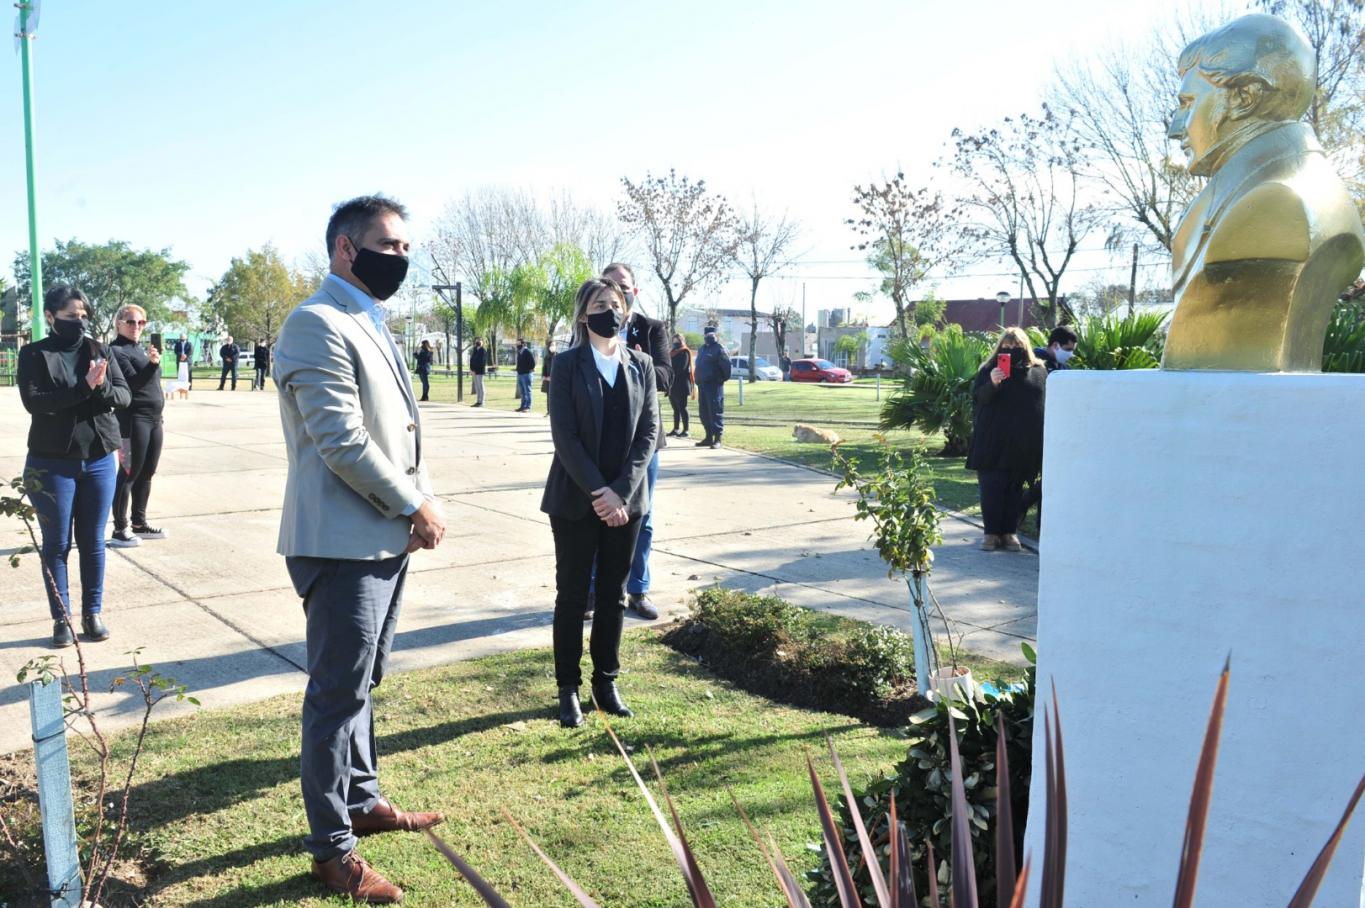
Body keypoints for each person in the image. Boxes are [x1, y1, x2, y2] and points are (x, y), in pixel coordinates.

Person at [273, 195, 447, 903]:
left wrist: (419, 504)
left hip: (382, 539)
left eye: (405, 248)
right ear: (346, 248)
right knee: (335, 697)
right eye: (388, 245)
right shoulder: (315, 322)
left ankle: (363, 800)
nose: (399, 258)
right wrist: (412, 504)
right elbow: (341, 439)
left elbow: (399, 433)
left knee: (361, 684)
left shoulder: (369, 319)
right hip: (341, 545)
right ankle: (332, 851)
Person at [542, 277, 659, 728]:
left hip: (627, 503)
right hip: (576, 501)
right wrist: (600, 493)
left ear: (625, 311)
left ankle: (605, 682)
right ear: (582, 314)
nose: (608, 311)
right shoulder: (566, 364)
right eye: (598, 304)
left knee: (613, 596)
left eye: (615, 303)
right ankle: (568, 688)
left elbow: (649, 433)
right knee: (573, 595)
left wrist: (621, 492)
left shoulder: (642, 364)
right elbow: (565, 436)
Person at [18, 285, 130, 647]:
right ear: (51, 317)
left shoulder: (100, 350)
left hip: (98, 459)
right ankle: (62, 619)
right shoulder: (34, 353)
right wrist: (83, 388)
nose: (79, 323)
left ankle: (92, 613)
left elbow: (124, 396)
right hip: (51, 462)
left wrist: (100, 387)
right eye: (70, 317)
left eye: (83, 316)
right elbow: (35, 402)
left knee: (93, 541)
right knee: (57, 544)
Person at [607, 262, 671, 620]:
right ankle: (595, 589)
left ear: (635, 291)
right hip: (601, 438)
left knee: (641, 517)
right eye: (611, 284)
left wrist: (629, 359)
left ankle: (638, 589)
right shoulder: (588, 326)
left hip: (644, 439)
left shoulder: (651, 329)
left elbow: (665, 375)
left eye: (624, 285)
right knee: (599, 514)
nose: (618, 291)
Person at [967, 327, 1046, 553]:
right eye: (1007, 346)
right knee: (991, 487)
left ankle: (1010, 532)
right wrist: (992, 383)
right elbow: (979, 399)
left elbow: (1041, 404)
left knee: (1014, 489)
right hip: (992, 441)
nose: (1011, 350)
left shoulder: (1038, 372)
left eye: (1017, 346)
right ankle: (991, 533)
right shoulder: (988, 369)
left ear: (1025, 347)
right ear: (1000, 347)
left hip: (1022, 443)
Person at [108, 304, 167, 548]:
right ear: (119, 323)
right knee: (129, 473)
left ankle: (139, 523)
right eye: (131, 322)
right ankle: (119, 529)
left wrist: (152, 362)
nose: (136, 327)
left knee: (147, 472)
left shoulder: (140, 350)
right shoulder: (115, 350)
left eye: (141, 322)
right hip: (133, 420)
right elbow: (131, 383)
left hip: (154, 419)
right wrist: (152, 365)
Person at [693, 325, 731, 448]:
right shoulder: (702, 349)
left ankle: (717, 439)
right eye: (707, 335)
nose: (709, 337)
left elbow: (726, 368)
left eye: (711, 335)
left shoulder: (720, 349)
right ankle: (708, 437)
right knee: (704, 412)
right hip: (702, 385)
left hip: (714, 386)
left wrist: (719, 380)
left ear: (715, 335)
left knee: (715, 411)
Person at [667, 333, 694, 438]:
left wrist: (670, 373)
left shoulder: (684, 352)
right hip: (672, 384)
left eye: (677, 340)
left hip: (681, 384)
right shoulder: (672, 352)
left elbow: (682, 368)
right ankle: (676, 429)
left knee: (682, 407)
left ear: (682, 341)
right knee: (675, 408)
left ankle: (686, 430)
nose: (675, 342)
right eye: (674, 340)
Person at [514, 338, 536, 412]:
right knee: (522, 392)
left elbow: (533, 364)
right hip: (520, 374)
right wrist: (517, 369)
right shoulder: (519, 352)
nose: (517, 345)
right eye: (516, 343)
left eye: (518, 343)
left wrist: (528, 369)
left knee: (527, 391)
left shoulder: (527, 352)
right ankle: (522, 406)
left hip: (526, 375)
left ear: (523, 344)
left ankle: (528, 407)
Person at [469, 337, 487, 407]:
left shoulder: (483, 351)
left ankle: (482, 402)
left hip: (479, 371)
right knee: (477, 386)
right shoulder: (474, 350)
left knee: (480, 386)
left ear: (482, 342)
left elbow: (481, 362)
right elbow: (472, 360)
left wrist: (475, 370)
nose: (478, 342)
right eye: (477, 341)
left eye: (479, 341)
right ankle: (478, 401)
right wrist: (471, 369)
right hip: (474, 371)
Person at [541, 340, 555, 414]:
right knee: (548, 396)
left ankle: (555, 412)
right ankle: (549, 411)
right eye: (551, 345)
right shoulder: (547, 357)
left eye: (554, 345)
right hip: (548, 380)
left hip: (556, 381)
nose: (552, 347)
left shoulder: (559, 356)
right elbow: (544, 368)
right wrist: (544, 376)